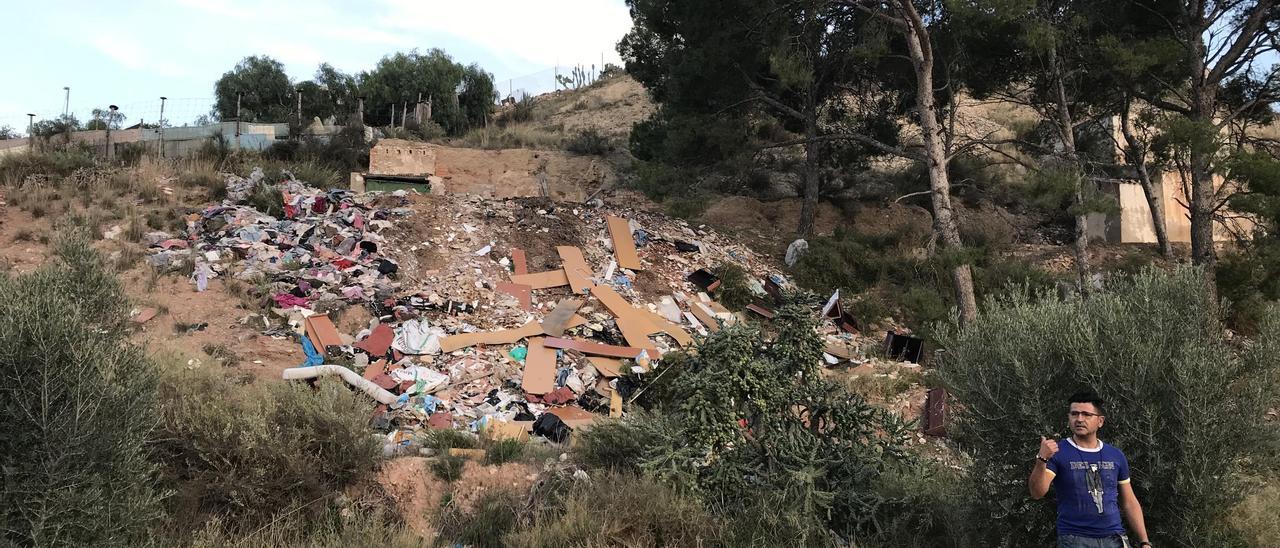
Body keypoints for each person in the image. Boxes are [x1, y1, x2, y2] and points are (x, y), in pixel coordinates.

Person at [1028, 391, 1151, 548]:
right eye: (1074, 414)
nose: (1079, 419)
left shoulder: (1115, 455)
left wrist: (1144, 541)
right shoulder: (1058, 452)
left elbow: (1129, 502)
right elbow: (1037, 493)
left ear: (1100, 421)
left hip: (1114, 539)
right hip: (1074, 539)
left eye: (1086, 414)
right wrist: (1042, 460)